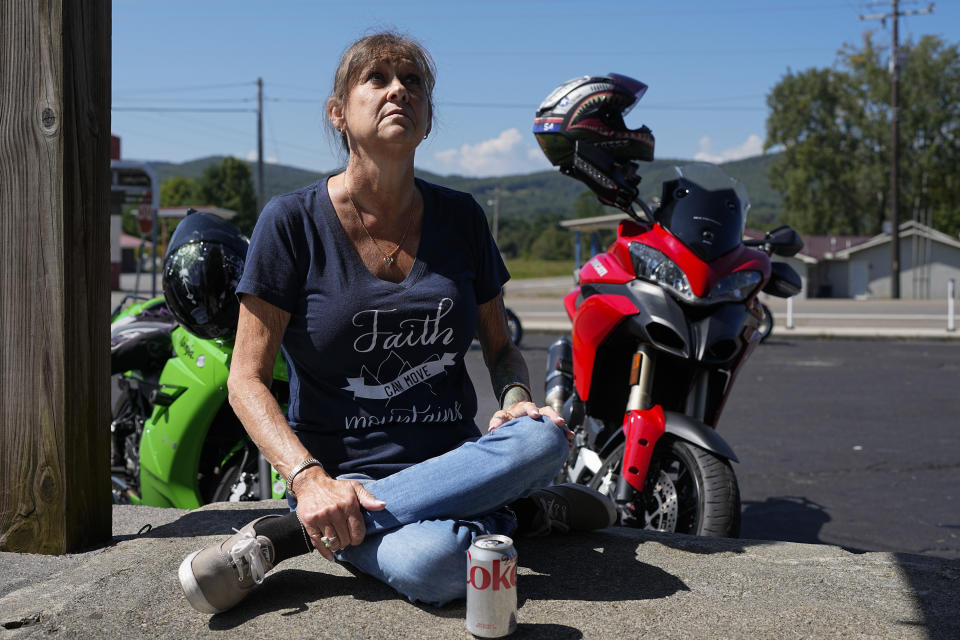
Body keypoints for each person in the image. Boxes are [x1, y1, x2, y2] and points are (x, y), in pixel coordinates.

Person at [177, 31, 615, 615]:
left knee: (541, 437)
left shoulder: (460, 218)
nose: (398, 92)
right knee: (437, 566)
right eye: (377, 79)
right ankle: (526, 514)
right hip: (335, 475)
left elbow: (502, 348)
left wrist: (514, 397)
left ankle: (289, 538)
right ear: (338, 112)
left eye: (413, 83)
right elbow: (246, 379)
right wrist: (307, 480)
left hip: (457, 463)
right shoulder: (290, 222)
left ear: (429, 119)